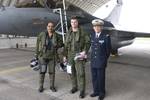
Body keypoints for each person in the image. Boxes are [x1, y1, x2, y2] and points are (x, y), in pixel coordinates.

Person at [63, 16, 90, 98]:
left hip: (79, 54)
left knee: (81, 73)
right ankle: (74, 87)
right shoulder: (68, 32)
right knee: (71, 72)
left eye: (75, 22)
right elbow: (66, 45)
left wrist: (85, 51)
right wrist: (64, 55)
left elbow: (88, 42)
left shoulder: (83, 32)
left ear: (77, 23)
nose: (73, 23)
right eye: (72, 22)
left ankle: (82, 91)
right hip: (70, 54)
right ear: (70, 23)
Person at [35, 21, 63, 93]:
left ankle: (52, 86)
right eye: (49, 26)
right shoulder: (42, 34)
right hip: (43, 57)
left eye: (52, 26)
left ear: (53, 27)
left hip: (52, 57)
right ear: (47, 27)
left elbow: (61, 43)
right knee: (42, 72)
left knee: (52, 72)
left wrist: (57, 45)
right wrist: (36, 54)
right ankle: (41, 86)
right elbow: (37, 44)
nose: (50, 27)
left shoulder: (56, 35)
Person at [90, 19, 111, 100]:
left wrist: (104, 60)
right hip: (93, 61)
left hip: (101, 61)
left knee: (101, 78)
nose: (96, 28)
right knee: (94, 77)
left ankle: (102, 93)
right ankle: (96, 91)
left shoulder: (106, 36)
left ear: (101, 27)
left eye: (98, 26)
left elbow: (108, 50)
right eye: (95, 26)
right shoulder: (92, 35)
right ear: (93, 27)